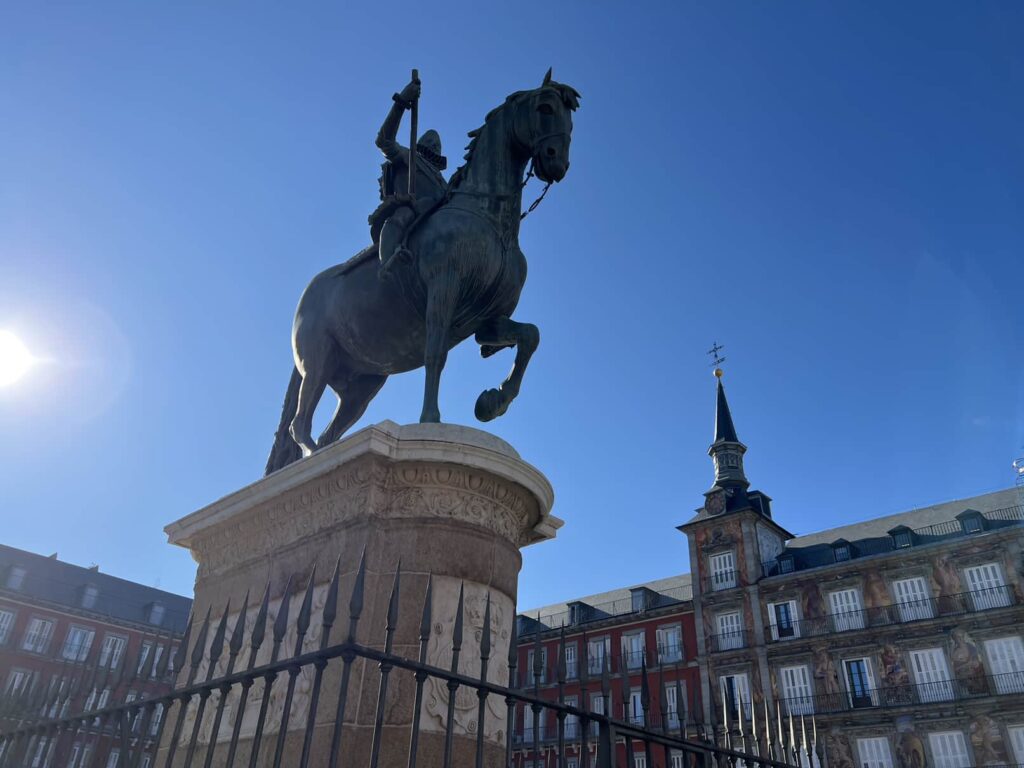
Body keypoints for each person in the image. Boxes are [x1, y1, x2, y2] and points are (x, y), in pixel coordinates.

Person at [369, 75, 448, 277]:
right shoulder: (408, 156)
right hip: (411, 210)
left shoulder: (444, 183)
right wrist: (402, 102)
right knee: (402, 215)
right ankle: (387, 264)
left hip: (438, 225)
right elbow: (384, 141)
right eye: (431, 144)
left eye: (437, 146)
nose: (435, 146)